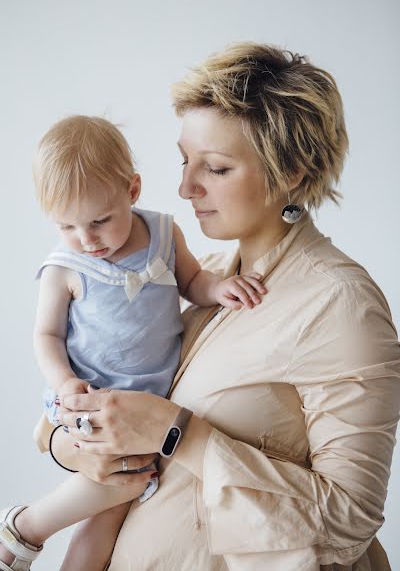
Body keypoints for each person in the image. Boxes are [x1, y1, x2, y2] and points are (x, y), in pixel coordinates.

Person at [4, 42, 399, 570]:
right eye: (185, 160)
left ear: (293, 174)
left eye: (214, 168)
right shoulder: (192, 274)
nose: (184, 187)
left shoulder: (342, 306)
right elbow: (67, 416)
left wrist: (175, 433)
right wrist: (73, 445)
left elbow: (349, 520)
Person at [0, 115, 267, 571]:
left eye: (100, 221)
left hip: (150, 400)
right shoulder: (65, 267)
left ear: (133, 190)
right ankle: (25, 529)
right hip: (94, 400)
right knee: (120, 485)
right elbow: (46, 335)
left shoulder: (163, 233)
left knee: (106, 518)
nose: (87, 240)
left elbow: (193, 281)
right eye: (67, 226)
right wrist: (64, 382)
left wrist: (218, 288)